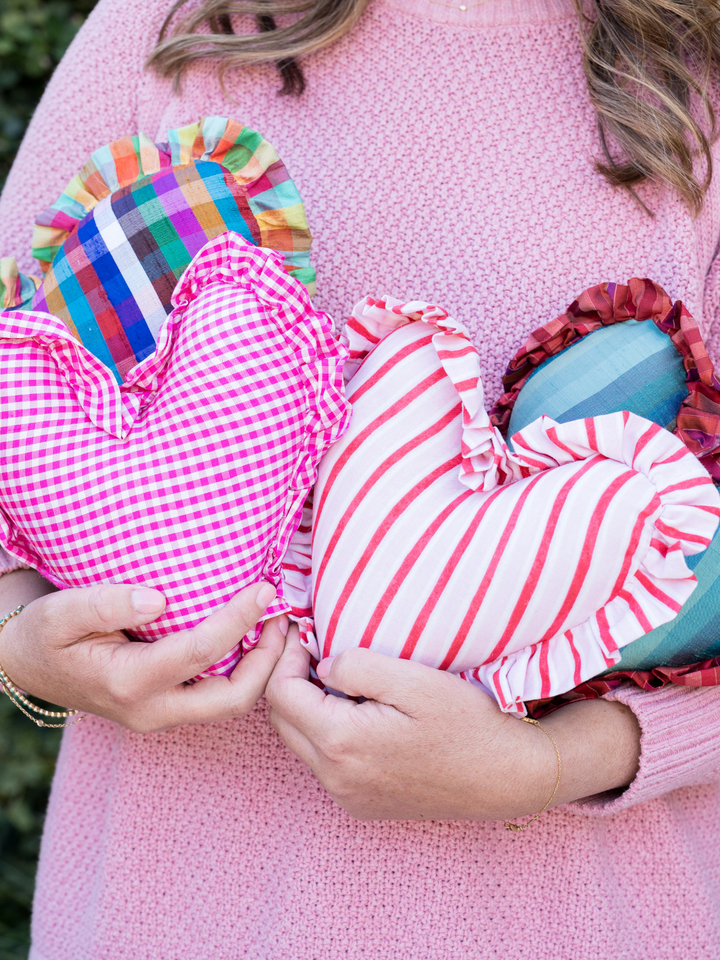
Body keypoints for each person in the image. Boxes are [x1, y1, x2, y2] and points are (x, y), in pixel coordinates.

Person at [2, 0, 720, 955]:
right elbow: (21, 389)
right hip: (167, 916)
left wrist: (549, 761)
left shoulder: (699, 77)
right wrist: (21, 639)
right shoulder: (169, 24)